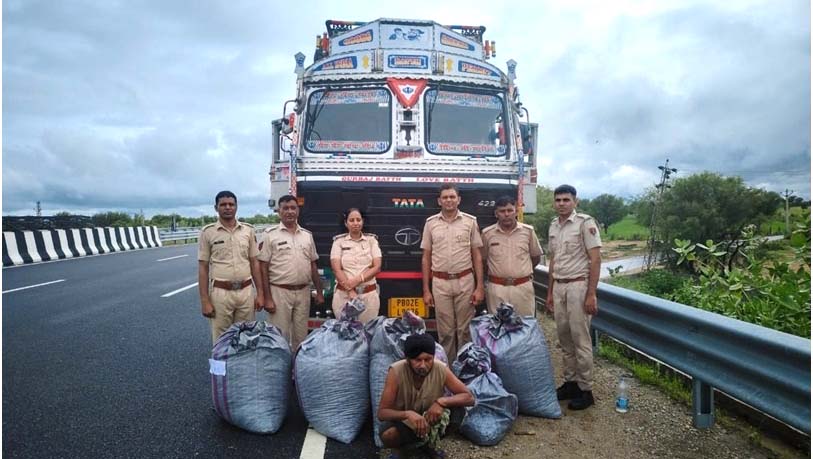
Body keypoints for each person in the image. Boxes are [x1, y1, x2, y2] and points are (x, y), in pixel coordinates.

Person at [545, 184, 602, 410]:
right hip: (559, 287)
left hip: (579, 287)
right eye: (558, 200)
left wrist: (591, 294)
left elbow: (596, 259)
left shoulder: (585, 223)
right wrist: (549, 292)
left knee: (581, 341)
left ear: (575, 202)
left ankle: (586, 390)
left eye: (566, 200)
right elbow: (553, 261)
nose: (561, 204)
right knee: (564, 339)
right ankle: (571, 383)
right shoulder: (553, 226)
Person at [378, 334, 474, 458]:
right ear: (407, 359)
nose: (423, 365)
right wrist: (407, 414)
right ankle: (402, 451)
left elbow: (469, 397)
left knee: (458, 412)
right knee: (388, 434)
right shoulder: (396, 371)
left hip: (429, 418)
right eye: (417, 360)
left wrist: (440, 402)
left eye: (428, 359)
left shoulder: (440, 368)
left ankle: (427, 445)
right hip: (405, 423)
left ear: (433, 357)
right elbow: (382, 413)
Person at [421, 184, 485, 360]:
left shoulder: (470, 222)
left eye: (452, 197)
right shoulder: (431, 224)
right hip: (440, 283)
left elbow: (477, 256)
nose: (449, 200)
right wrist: (426, 290)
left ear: (459, 200)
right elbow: (426, 258)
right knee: (445, 332)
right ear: (439, 201)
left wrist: (480, 287)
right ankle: (447, 372)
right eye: (445, 197)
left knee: (465, 331)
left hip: (465, 280)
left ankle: (465, 368)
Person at [258, 195, 324, 351]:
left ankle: (297, 371)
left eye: (293, 208)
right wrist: (267, 297)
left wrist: (319, 292)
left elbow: (313, 265)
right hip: (279, 292)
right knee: (278, 338)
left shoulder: (307, 236)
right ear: (279, 212)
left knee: (301, 338)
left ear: (298, 210)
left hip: (303, 292)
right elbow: (263, 268)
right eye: (285, 208)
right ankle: (279, 373)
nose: (289, 211)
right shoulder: (270, 235)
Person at [198, 191, 265, 343]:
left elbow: (255, 263)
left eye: (231, 204)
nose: (227, 207)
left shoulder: (248, 230)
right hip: (221, 293)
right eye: (223, 205)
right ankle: (220, 368)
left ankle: (242, 367)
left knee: (246, 337)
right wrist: (205, 301)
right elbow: (203, 267)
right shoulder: (208, 232)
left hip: (246, 292)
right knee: (222, 340)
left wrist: (260, 293)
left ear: (236, 207)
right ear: (216, 208)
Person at [481, 196, 543, 316]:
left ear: (516, 212)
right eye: (502, 211)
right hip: (497, 289)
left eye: (510, 210)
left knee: (524, 327)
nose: (506, 214)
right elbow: (483, 261)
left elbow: (535, 257)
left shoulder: (528, 232)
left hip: (522, 288)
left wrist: (521, 273)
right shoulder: (487, 234)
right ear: (496, 214)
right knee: (498, 328)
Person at [330, 208, 382, 324]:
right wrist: (350, 291)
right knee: (345, 335)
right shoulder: (338, 242)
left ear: (362, 222)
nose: (355, 223)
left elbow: (377, 266)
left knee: (367, 334)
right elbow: (336, 269)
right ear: (346, 223)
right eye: (351, 220)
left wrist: (358, 280)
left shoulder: (371, 241)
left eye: (358, 220)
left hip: (368, 297)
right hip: (344, 297)